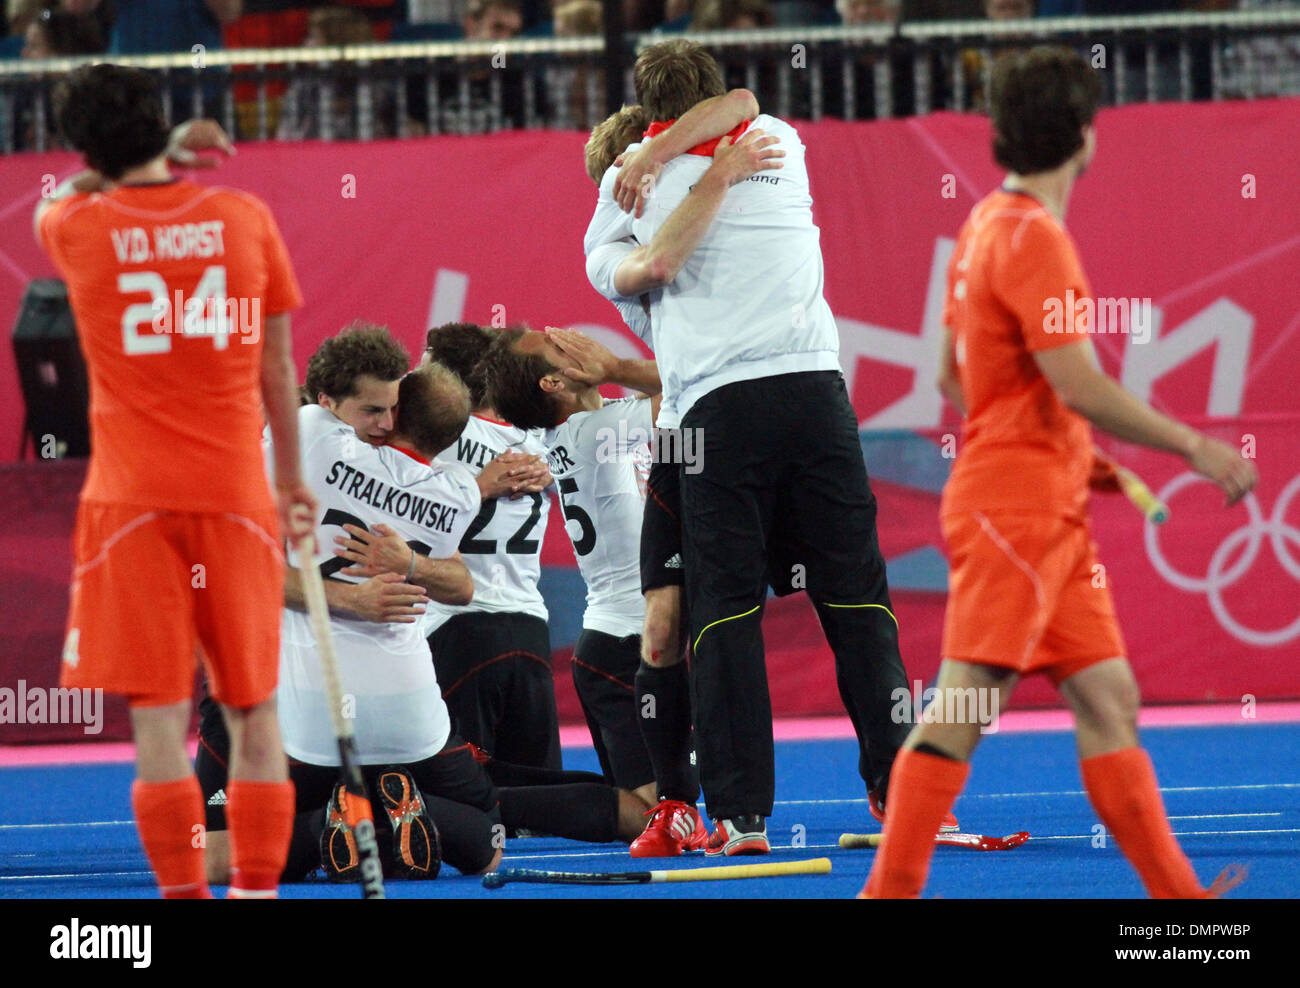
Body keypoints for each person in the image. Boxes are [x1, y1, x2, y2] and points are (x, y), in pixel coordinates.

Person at [862, 46, 1256, 899]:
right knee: (964, 710)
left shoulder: (982, 226)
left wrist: (1067, 450)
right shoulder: (1038, 239)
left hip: (1037, 499)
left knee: (1109, 699)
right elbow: (1076, 381)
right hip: (1018, 510)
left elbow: (950, 377)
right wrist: (1192, 445)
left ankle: (1182, 911)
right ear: (1084, 134)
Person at [584, 39, 951, 856]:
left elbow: (734, 106)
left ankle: (743, 815)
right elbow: (675, 232)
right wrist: (709, 169)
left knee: (729, 615)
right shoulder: (773, 139)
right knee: (859, 601)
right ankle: (901, 791)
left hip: (722, 416)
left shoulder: (632, 176)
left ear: (649, 118)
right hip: (815, 398)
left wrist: (650, 153)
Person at [200, 338, 647, 880]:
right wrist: (389, 577)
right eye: (373, 410)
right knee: (489, 829)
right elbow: (456, 580)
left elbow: (234, 571)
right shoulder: (450, 491)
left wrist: (395, 571)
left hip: (300, 709)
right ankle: (635, 807)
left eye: (392, 409)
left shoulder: (312, 437)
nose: (385, 422)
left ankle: (329, 828)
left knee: (224, 851)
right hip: (413, 707)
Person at [35, 65, 314, 899]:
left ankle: (183, 898)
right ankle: (256, 893)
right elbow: (278, 367)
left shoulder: (75, 225)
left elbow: (81, 187)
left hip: (129, 507)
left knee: (158, 719)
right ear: (163, 124)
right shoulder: (241, 217)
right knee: (254, 711)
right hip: (235, 496)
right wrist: (292, 483)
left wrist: (150, 152)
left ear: (84, 145)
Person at [482, 326, 665, 812]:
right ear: (555, 383)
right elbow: (697, 387)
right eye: (558, 347)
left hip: (614, 645)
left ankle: (490, 798)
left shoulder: (581, 430)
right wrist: (619, 367)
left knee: (645, 805)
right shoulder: (596, 431)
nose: (574, 341)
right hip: (624, 649)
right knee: (644, 811)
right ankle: (478, 804)